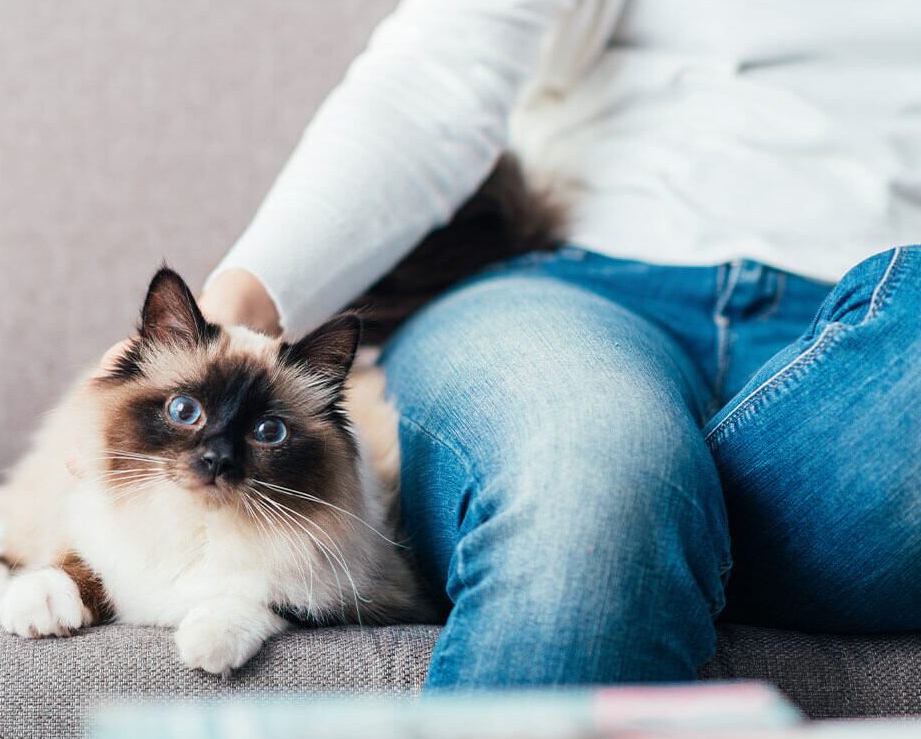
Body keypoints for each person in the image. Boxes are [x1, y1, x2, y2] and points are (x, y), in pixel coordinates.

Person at [171, 1, 921, 688]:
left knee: (623, 495)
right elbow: (435, 80)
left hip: (883, 367)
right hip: (572, 288)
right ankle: (643, 522)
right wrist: (226, 321)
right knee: (590, 464)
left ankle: (664, 533)